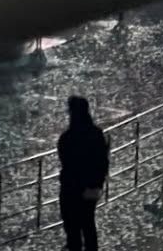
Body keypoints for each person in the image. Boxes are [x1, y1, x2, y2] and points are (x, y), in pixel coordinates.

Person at [57, 96, 108, 251]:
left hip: (71, 188)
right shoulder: (96, 134)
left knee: (72, 227)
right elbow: (103, 162)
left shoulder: (67, 137)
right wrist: (97, 183)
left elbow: (65, 161)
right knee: (88, 223)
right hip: (91, 187)